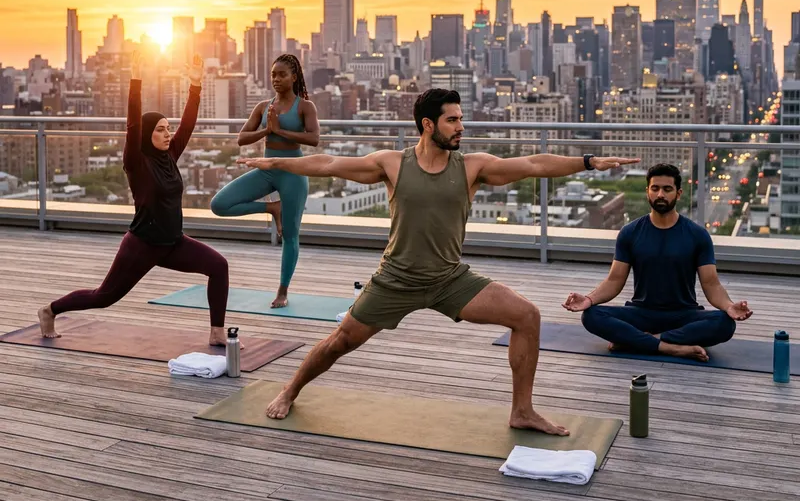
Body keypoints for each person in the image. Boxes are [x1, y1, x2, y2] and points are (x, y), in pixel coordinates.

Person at [237, 88, 639, 432]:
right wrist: (276, 163)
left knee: (527, 316)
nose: (461, 127)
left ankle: (522, 411)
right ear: (428, 125)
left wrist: (588, 162)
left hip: (449, 279)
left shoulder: (473, 167)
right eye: (452, 120)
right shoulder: (392, 163)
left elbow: (533, 164)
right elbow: (327, 164)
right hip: (396, 279)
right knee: (340, 342)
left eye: (461, 119)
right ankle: (290, 390)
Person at [38, 52, 230, 344]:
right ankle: (50, 310)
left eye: (168, 129)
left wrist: (195, 85)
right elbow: (132, 126)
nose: (167, 134)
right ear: (147, 134)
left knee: (218, 266)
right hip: (142, 245)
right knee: (103, 297)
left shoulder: (170, 155)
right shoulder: (137, 162)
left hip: (173, 243)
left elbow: (188, 124)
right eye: (160, 130)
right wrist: (136, 80)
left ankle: (217, 332)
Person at [563, 162, 753, 361]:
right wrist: (589, 299)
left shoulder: (697, 235)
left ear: (678, 194)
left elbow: (711, 284)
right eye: (655, 188)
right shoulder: (630, 232)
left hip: (683, 315)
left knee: (725, 323)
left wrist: (729, 306)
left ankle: (640, 341)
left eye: (667, 189)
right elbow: (614, 281)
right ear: (648, 191)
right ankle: (671, 347)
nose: (660, 194)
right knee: (591, 316)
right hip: (641, 314)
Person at [210, 54, 319, 308]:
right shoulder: (263, 106)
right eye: (273, 75)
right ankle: (272, 208)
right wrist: (267, 131)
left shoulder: (305, 107)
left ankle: (282, 291)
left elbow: (314, 138)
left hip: (293, 172)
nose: (276, 79)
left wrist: (280, 131)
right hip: (267, 170)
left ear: (294, 77)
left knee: (290, 235)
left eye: (282, 74)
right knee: (219, 204)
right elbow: (241, 138)